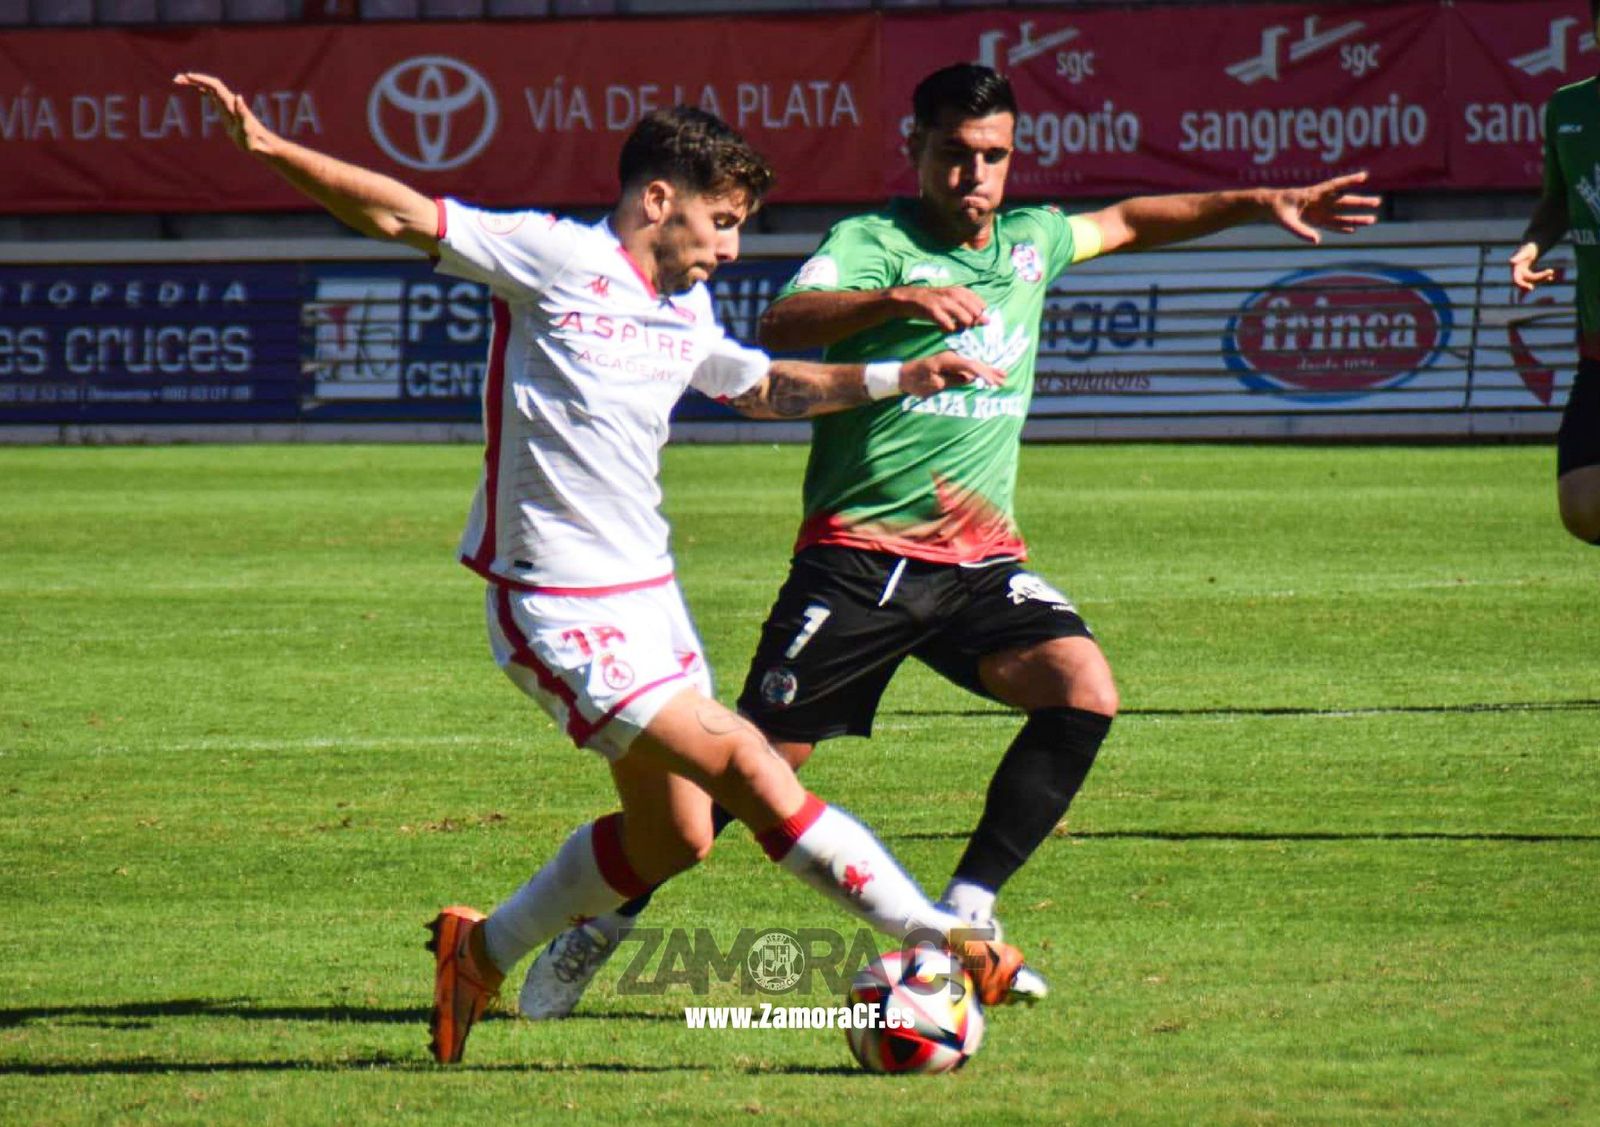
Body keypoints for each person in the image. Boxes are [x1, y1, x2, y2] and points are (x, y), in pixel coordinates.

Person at [174, 72, 1023, 1065]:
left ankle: (477, 949)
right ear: (657, 200)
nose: (730, 247)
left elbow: (759, 386)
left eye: (740, 225)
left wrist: (896, 375)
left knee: (675, 838)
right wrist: (270, 148)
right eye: (720, 220)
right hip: (555, 602)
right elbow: (400, 211)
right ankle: (941, 938)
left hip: (649, 600)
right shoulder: (554, 258)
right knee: (748, 762)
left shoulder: (679, 311)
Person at [520, 62, 1381, 1019]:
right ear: (917, 151)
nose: (975, 175)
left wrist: (1261, 201)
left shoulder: (1031, 242)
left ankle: (969, 913)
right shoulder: (874, 241)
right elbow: (783, 322)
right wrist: (900, 302)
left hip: (980, 566)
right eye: (954, 154)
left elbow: (1133, 220)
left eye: (993, 157)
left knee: (1084, 690)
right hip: (859, 561)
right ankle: (602, 923)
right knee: (747, 776)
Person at [1509, 0, 1600, 546]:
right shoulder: (1569, 108)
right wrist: (1529, 248)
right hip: (1596, 347)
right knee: (1582, 505)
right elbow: (1559, 201)